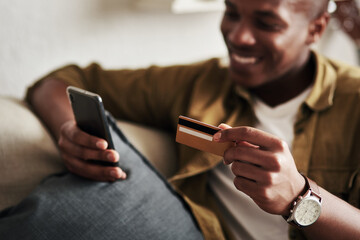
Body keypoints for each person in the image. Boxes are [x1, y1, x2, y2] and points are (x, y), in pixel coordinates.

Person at [1, 0, 360, 239]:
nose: (238, 36)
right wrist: (69, 129)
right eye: (232, 12)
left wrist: (299, 197)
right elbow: (58, 81)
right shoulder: (204, 83)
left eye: (267, 22)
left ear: (316, 29)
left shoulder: (354, 103)